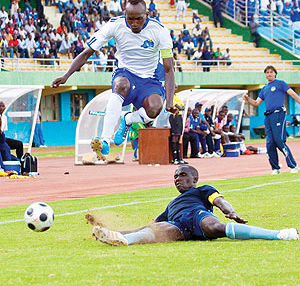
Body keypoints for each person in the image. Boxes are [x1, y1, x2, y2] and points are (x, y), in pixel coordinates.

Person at [52, 0, 176, 162]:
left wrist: (170, 101)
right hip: (126, 73)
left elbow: (168, 69)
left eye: (138, 18)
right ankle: (104, 140)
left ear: (147, 14)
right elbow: (86, 53)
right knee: (120, 85)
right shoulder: (114, 25)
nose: (134, 23)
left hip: (150, 78)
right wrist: (66, 75)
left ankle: (128, 119)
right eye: (130, 18)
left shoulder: (160, 31)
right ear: (125, 14)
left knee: (155, 108)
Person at [90, 165, 299, 246]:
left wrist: (231, 212)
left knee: (214, 228)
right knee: (159, 230)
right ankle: (122, 240)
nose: (178, 179)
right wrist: (111, 230)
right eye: (175, 177)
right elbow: (150, 225)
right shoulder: (171, 205)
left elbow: (219, 200)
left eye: (182, 175)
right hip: (180, 226)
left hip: (198, 215)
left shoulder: (201, 190)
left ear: (194, 178)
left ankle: (277, 234)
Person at [243, 65, 300, 174]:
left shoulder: (280, 83)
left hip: (278, 114)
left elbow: (292, 94)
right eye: (267, 72)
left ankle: (293, 166)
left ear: (275, 73)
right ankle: (275, 168)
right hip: (268, 117)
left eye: (271, 72)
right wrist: (247, 98)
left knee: (279, 141)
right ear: (265, 74)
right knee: (270, 143)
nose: (269, 74)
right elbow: (256, 103)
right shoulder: (264, 89)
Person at [169, 85, 188, 165]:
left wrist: (180, 107)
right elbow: (177, 106)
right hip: (174, 117)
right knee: (175, 137)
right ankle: (175, 157)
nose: (176, 88)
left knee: (179, 136)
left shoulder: (177, 96)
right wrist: (180, 107)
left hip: (179, 117)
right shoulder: (170, 96)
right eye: (174, 87)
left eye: (176, 87)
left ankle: (179, 157)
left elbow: (182, 106)